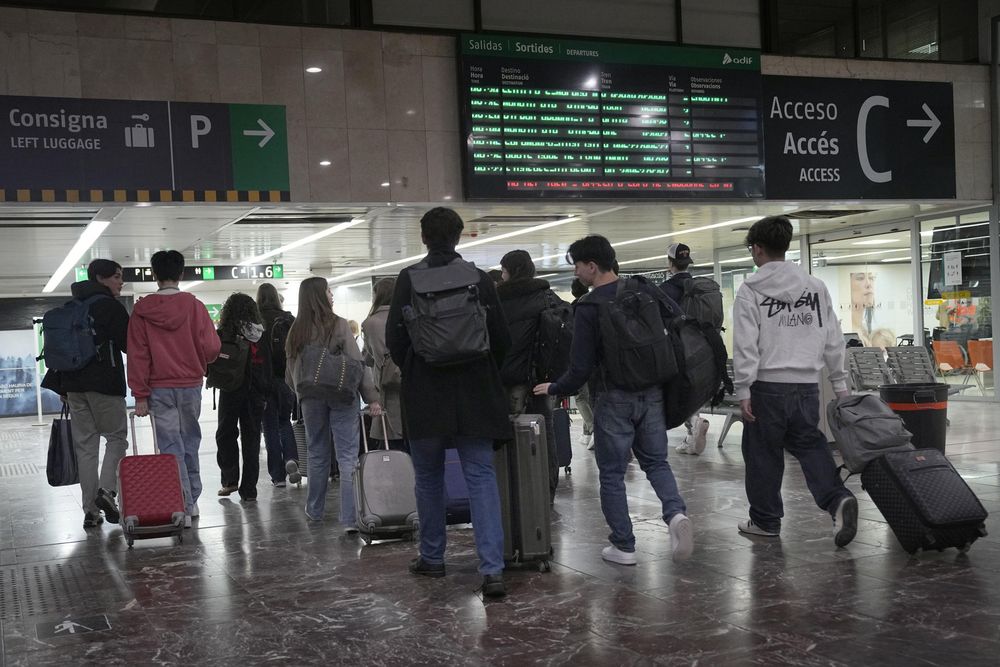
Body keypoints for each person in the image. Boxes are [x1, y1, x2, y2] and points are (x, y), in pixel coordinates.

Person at [533, 235, 694, 566]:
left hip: (613, 397)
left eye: (577, 266)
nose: (576, 273)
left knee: (611, 473)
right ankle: (675, 514)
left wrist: (553, 388)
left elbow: (579, 369)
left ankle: (624, 546)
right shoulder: (645, 289)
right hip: (652, 393)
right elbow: (677, 321)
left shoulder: (589, 308)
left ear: (592, 266)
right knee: (656, 462)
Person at [386, 207, 511, 598]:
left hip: (426, 392)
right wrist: (481, 368)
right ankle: (492, 570)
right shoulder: (478, 279)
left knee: (428, 477)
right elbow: (502, 338)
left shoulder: (409, 279)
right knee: (481, 477)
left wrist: (420, 364)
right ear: (459, 237)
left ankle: (433, 558)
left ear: (424, 238)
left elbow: (394, 339)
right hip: (476, 392)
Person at [733, 215, 858, 547]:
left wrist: (743, 387)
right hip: (806, 386)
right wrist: (841, 384)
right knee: (810, 444)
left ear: (758, 249)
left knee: (762, 453)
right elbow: (834, 338)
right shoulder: (816, 287)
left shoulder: (750, 290)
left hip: (766, 386)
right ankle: (837, 499)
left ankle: (765, 521)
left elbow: (745, 344)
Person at [127, 250, 221, 527]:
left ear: (154, 275)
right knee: (191, 441)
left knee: (169, 447)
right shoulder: (195, 306)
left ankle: (182, 502)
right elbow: (212, 347)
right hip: (191, 385)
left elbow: (138, 355)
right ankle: (192, 500)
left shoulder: (142, 312)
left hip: (159, 389)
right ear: (181, 274)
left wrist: (140, 394)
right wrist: (200, 358)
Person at [285, 277, 381, 528]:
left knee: (317, 452)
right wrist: (371, 397)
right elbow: (356, 364)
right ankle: (348, 517)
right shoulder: (338, 325)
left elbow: (290, 370)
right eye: (328, 290)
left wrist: (301, 392)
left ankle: (314, 510)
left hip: (310, 398)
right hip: (341, 396)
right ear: (320, 295)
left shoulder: (297, 330)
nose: (331, 294)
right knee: (347, 456)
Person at [58, 259, 129, 528]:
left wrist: (62, 387)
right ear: (100, 278)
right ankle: (107, 491)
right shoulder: (110, 307)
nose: (120, 282)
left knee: (86, 447)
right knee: (116, 438)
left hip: (73, 387)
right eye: (116, 277)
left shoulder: (71, 306)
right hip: (105, 385)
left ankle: (90, 511)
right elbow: (127, 345)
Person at [496, 249, 559, 501]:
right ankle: (547, 488)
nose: (501, 275)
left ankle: (511, 490)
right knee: (544, 432)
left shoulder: (498, 301)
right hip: (539, 378)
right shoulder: (546, 296)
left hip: (504, 380)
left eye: (503, 270)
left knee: (506, 435)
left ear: (511, 271)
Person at [213, 293, 270, 502]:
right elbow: (267, 364)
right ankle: (249, 490)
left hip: (231, 389)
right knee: (252, 438)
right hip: (255, 390)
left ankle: (230, 480)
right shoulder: (261, 333)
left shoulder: (225, 333)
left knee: (225, 433)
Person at [660, 242, 710, 455]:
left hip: (676, 350)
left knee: (677, 392)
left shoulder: (665, 290)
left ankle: (693, 422)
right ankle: (691, 435)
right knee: (694, 389)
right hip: (702, 350)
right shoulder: (700, 288)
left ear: (670, 263)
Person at [256, 283, 300, 487]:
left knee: (269, 427)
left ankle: (278, 476)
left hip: (263, 382)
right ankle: (291, 458)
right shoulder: (289, 319)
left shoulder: (255, 320)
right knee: (284, 422)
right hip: (286, 380)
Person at [362, 278, 406, 452]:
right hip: (411, 381)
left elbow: (367, 358)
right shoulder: (407, 315)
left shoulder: (370, 323)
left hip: (386, 385)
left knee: (390, 439)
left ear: (378, 295)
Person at [570, 278, 595, 450]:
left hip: (579, 356)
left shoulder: (573, 308)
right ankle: (588, 432)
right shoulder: (594, 303)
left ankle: (593, 429)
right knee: (590, 396)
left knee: (580, 396)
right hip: (595, 357)